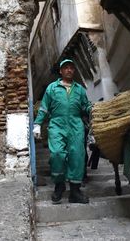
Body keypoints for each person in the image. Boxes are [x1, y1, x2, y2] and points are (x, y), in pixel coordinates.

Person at [33, 59, 92, 204]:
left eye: (72, 68)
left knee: (77, 157)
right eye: (66, 68)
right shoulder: (52, 88)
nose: (69, 70)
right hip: (57, 125)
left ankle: (75, 192)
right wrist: (37, 124)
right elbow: (44, 108)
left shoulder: (79, 89)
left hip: (76, 126)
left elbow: (86, 106)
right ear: (61, 71)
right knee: (57, 154)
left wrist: (93, 110)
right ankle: (59, 186)